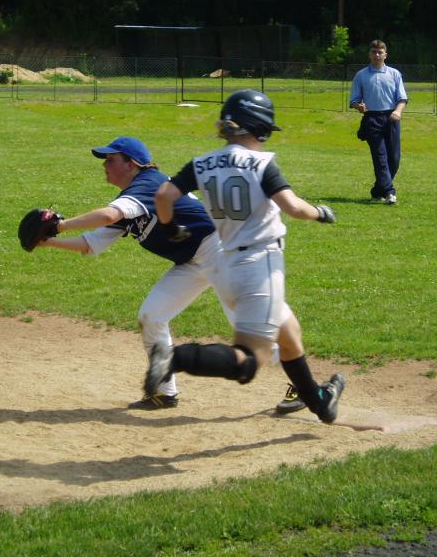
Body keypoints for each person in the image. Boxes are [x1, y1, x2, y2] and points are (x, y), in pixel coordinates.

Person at [36, 136, 295, 411]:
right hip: (191, 262)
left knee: (249, 327)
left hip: (217, 251)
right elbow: (90, 245)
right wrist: (47, 241)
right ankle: (164, 393)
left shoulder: (148, 183)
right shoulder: (129, 200)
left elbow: (109, 216)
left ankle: (302, 383)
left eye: (111, 159)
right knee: (152, 316)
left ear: (131, 164)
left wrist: (60, 225)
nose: (105, 165)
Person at [146, 89, 346, 424]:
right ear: (261, 128)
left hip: (226, 266)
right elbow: (293, 208)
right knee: (250, 361)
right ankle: (174, 357)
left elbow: (164, 195)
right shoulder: (262, 164)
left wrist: (169, 229)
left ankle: (319, 401)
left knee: (290, 335)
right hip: (260, 266)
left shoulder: (202, 163)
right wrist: (321, 213)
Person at [349, 39, 408, 205]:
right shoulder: (361, 75)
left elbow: (402, 98)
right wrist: (358, 106)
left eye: (380, 52)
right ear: (369, 54)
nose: (377, 55)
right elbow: (354, 100)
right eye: (374, 52)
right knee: (380, 156)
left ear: (385, 55)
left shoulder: (395, 74)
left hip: (391, 118)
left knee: (394, 159)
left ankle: (378, 191)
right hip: (372, 119)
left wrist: (397, 111)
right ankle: (390, 192)